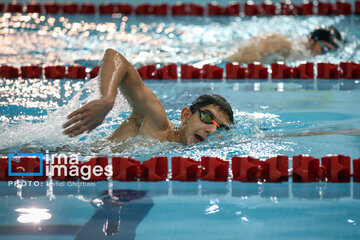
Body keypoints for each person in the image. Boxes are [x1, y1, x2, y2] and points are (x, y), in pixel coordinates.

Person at [63, 48, 234, 144]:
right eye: (206, 117)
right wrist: (107, 100)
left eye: (219, 127)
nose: (211, 129)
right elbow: (115, 57)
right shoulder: (156, 121)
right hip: (65, 155)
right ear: (186, 115)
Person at [228, 26, 343, 64]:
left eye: (329, 51)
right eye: (324, 48)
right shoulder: (291, 46)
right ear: (312, 40)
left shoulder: (304, 53)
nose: (324, 53)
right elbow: (268, 40)